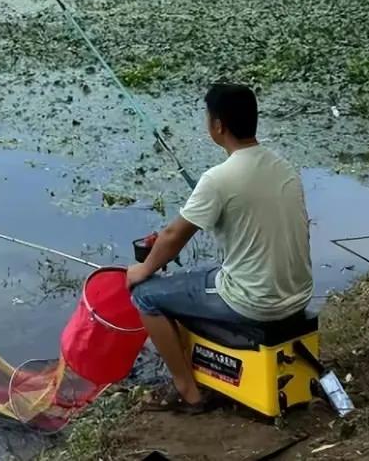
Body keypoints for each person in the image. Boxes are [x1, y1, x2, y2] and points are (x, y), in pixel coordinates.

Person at [127, 84, 313, 412]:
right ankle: (203, 364)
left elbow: (173, 236)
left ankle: (188, 391)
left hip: (256, 302)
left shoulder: (218, 178)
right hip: (298, 294)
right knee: (204, 276)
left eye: (208, 117)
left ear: (218, 126)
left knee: (146, 296)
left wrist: (143, 269)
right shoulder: (284, 167)